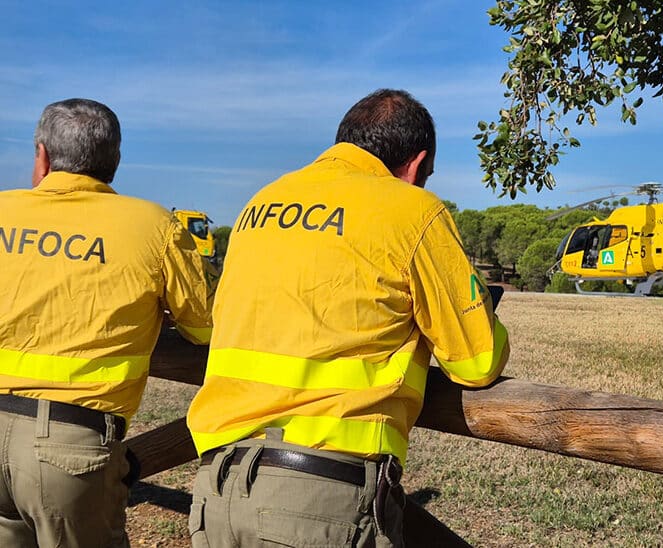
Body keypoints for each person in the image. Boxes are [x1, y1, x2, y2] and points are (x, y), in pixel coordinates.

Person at [186, 89, 510, 547]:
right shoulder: (412, 209)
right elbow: (476, 362)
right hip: (321, 501)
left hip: (217, 490)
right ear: (416, 165)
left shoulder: (262, 202)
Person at [0, 98, 213, 547]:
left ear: (42, 156)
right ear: (114, 160)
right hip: (69, 445)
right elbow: (203, 327)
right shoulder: (154, 226)